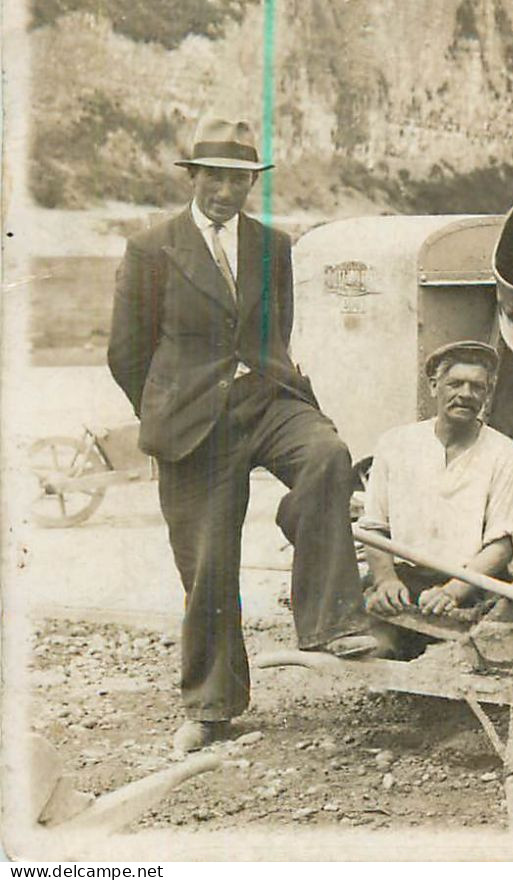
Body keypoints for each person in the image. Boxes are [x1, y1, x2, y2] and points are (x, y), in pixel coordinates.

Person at [106, 116, 374, 753]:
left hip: (267, 397)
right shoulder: (152, 248)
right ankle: (211, 705)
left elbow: (272, 332)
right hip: (194, 417)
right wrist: (170, 406)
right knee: (208, 565)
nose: (229, 191)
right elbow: (127, 352)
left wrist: (264, 378)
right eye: (218, 178)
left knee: (327, 455)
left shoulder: (273, 245)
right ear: (194, 177)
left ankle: (329, 619)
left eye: (241, 180)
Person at [356, 341, 513, 658]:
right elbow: (373, 529)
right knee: (375, 650)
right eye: (455, 384)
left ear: (486, 395)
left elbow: (501, 545)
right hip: (406, 581)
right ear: (434, 386)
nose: (465, 394)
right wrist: (386, 580)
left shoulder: (504, 452)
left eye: (477, 387)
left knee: (485, 656)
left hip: (473, 584)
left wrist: (454, 591)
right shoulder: (396, 443)